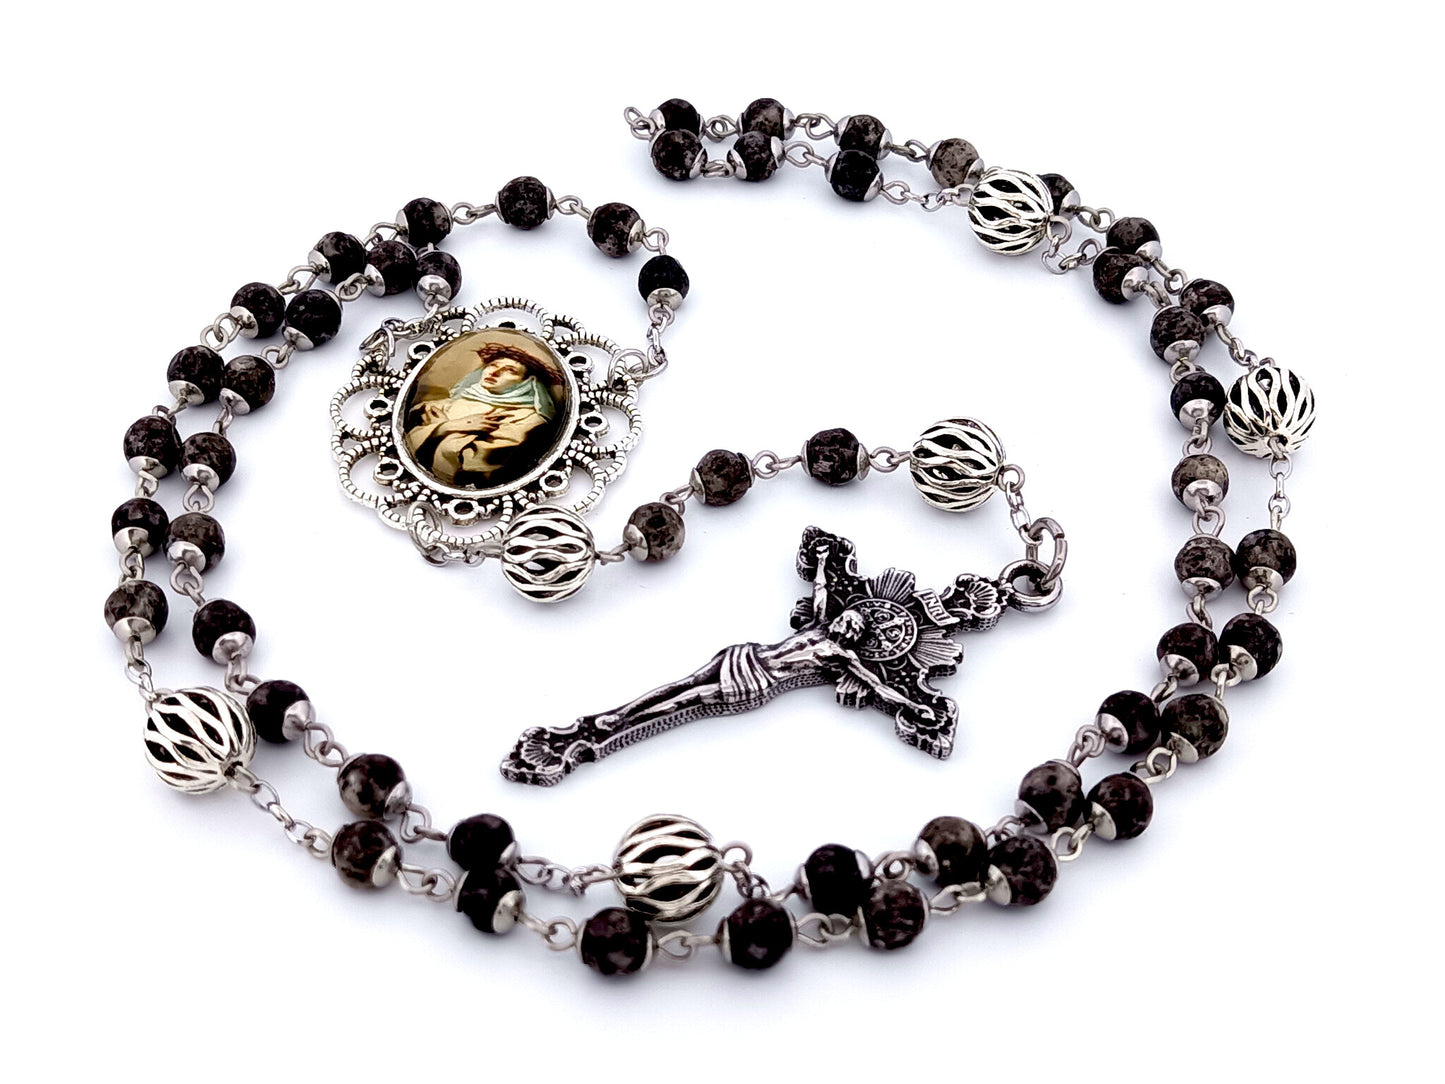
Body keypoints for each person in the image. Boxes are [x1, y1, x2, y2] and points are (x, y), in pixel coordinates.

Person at [404, 344, 558, 487]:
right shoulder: (440, 405)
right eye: (493, 365)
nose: (494, 372)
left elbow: (475, 467)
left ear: (528, 382)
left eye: (510, 370)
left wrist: (444, 432)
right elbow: (408, 438)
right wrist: (445, 427)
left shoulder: (528, 419)